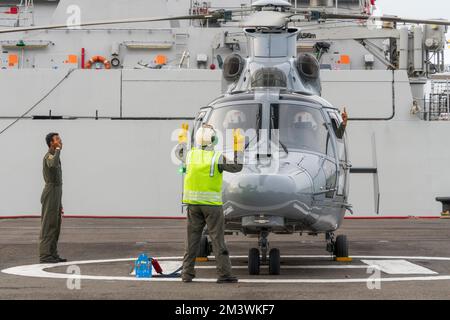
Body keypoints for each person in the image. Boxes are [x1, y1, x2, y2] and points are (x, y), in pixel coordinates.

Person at [176, 123, 244, 283]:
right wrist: (238, 147)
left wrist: (182, 138)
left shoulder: (191, 155)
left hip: (193, 205)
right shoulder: (216, 157)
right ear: (213, 140)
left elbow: (180, 153)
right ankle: (224, 274)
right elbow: (237, 167)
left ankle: (187, 274)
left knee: (192, 240)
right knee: (217, 239)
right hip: (212, 206)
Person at [39, 132, 67, 263]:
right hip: (51, 192)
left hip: (56, 192)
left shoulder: (55, 155)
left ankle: (53, 253)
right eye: (57, 139)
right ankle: (45, 255)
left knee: (56, 224)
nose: (60, 140)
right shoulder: (49, 156)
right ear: (51, 142)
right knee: (48, 224)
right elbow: (53, 164)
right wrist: (57, 150)